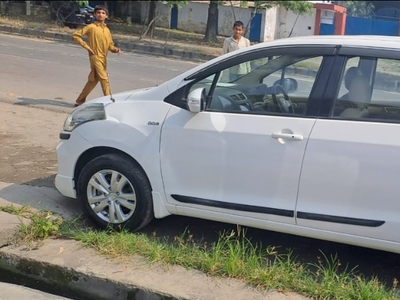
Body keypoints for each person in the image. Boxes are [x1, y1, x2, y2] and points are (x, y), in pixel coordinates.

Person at [72, 4, 121, 107]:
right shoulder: (91, 27)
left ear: (106, 16)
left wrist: (115, 49)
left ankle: (80, 100)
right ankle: (108, 101)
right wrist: (87, 47)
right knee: (104, 78)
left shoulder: (107, 30)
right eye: (98, 12)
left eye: (103, 13)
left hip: (103, 58)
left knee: (93, 80)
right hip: (95, 57)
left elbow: (110, 45)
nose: (100, 15)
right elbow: (76, 35)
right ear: (94, 14)